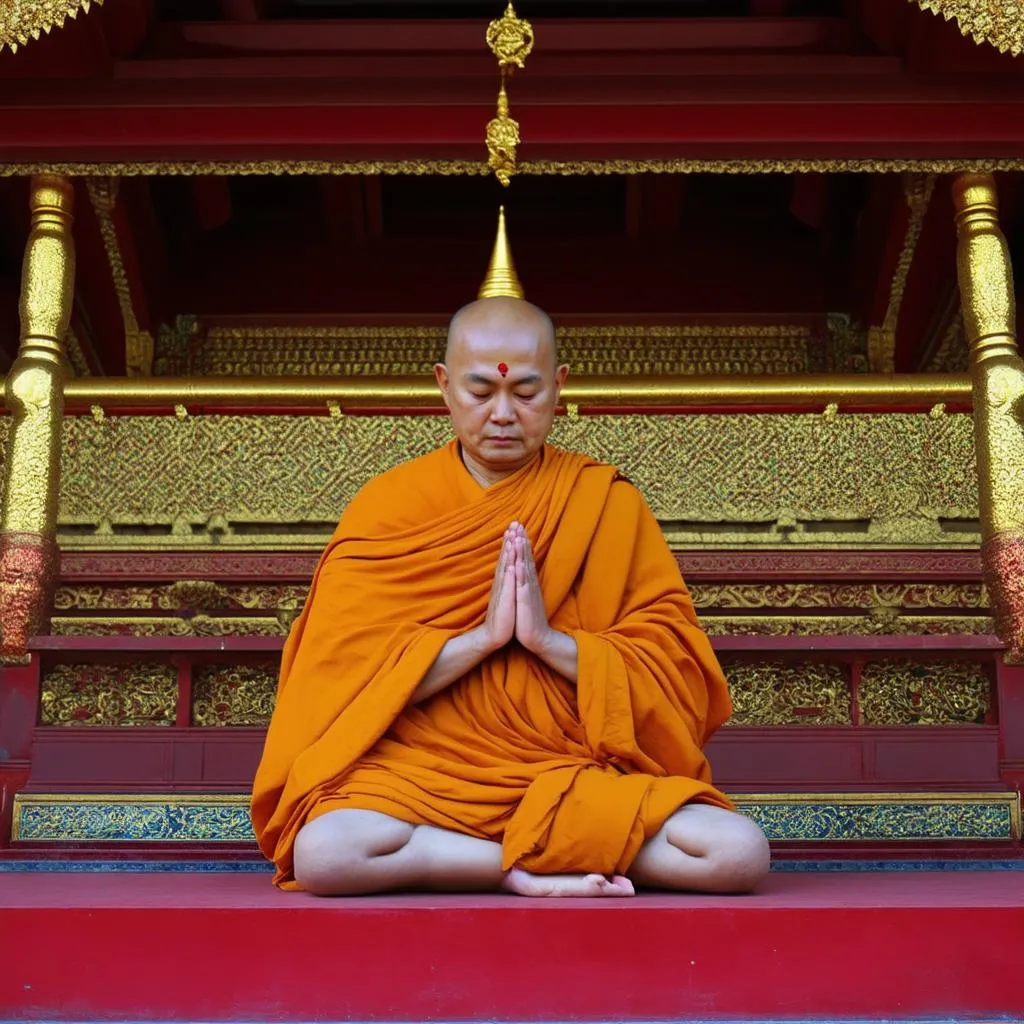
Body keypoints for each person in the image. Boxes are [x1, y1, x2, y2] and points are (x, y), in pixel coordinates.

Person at [250, 210, 770, 897]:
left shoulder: (604, 502)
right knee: (325, 852)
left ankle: (514, 851)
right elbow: (339, 685)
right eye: (481, 390)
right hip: (426, 772)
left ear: (558, 387)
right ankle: (516, 865)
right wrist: (483, 640)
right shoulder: (388, 507)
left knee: (739, 853)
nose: (502, 413)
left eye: (525, 391)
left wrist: (551, 643)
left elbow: (672, 666)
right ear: (441, 385)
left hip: (573, 768)